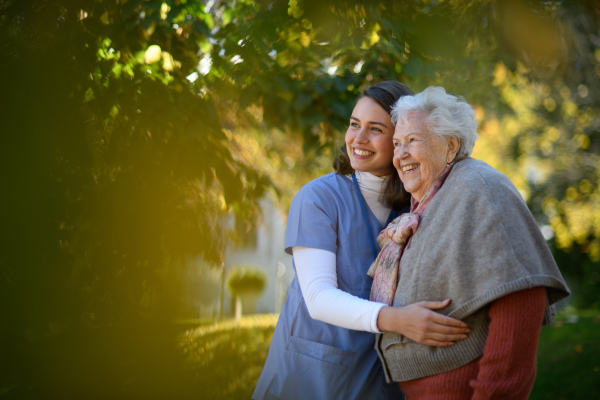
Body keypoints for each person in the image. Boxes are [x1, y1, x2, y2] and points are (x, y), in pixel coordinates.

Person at [252, 81, 472, 400]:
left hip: (377, 385)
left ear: (400, 141)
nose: (358, 138)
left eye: (375, 129)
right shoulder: (318, 198)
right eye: (355, 125)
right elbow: (318, 297)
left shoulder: (413, 208)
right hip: (308, 380)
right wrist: (399, 320)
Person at [367, 86, 571, 399]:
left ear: (450, 146)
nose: (400, 154)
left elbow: (521, 296)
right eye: (397, 143)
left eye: (412, 140)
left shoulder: (479, 187)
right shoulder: (431, 202)